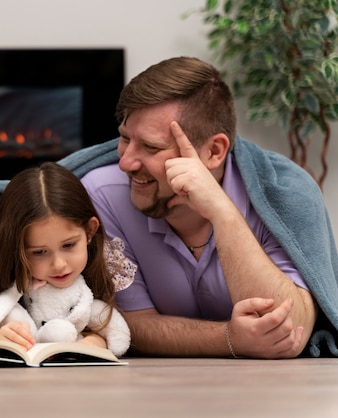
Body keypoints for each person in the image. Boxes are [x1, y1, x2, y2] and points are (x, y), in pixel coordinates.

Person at [81, 56, 338, 359]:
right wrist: (228, 338)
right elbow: (129, 323)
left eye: (151, 147)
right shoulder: (103, 194)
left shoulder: (281, 195)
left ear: (214, 151)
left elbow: (289, 330)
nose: (126, 162)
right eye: (125, 139)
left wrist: (222, 211)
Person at [0, 162, 135, 352]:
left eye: (69, 245)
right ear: (16, 249)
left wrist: (97, 340)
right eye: (39, 252)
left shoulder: (105, 265)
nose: (59, 264)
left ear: (89, 231)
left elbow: (110, 321)